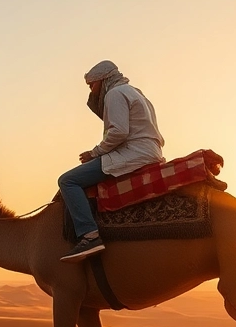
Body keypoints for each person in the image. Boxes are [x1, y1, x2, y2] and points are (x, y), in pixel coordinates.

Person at [58, 60, 165, 262]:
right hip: (149, 150)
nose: (91, 91)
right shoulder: (135, 92)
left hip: (133, 153)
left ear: (103, 80)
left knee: (68, 181)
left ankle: (89, 236)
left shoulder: (115, 94)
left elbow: (119, 131)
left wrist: (95, 152)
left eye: (92, 85)